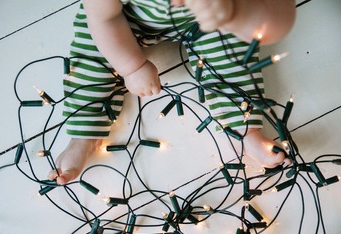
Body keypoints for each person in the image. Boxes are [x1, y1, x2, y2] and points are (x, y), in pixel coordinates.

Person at [48, 0, 296, 185]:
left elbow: (278, 17)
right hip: (127, 21)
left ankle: (244, 130)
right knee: (92, 51)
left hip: (214, 19)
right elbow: (104, 18)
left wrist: (234, 11)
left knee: (233, 59)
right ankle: (84, 133)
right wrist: (132, 67)